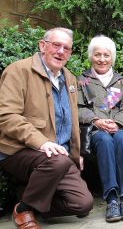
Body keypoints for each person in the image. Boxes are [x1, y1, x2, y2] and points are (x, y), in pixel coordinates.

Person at [0, 28, 94, 229]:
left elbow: (70, 120)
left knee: (83, 205)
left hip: (57, 155)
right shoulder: (18, 70)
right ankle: (23, 208)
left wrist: (76, 155)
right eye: (56, 45)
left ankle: (29, 194)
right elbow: (6, 116)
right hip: (19, 150)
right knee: (57, 161)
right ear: (42, 45)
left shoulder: (68, 77)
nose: (61, 51)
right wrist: (42, 142)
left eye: (67, 48)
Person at [77, 35, 123, 222]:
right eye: (97, 55)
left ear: (112, 58)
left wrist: (117, 124)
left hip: (121, 128)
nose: (102, 59)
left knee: (121, 138)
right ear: (90, 57)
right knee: (103, 139)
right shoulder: (81, 81)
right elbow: (77, 108)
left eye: (106, 55)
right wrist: (96, 121)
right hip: (95, 131)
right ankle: (111, 199)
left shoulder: (122, 81)